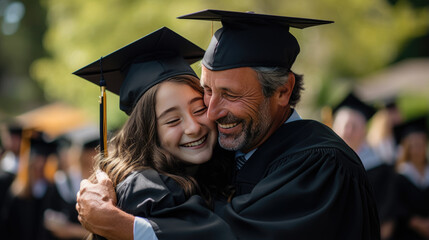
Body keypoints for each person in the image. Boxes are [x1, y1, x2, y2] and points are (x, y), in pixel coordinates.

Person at [77, 10, 380, 239]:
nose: (210, 112)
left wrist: (120, 224)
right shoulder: (223, 156)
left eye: (231, 95)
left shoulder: (322, 167)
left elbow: (235, 234)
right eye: (207, 90)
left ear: (283, 91)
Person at [74, 27, 235, 240]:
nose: (193, 127)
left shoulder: (212, 171)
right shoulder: (146, 190)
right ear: (147, 133)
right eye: (172, 120)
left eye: (199, 109)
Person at [332, 92, 398, 239]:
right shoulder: (327, 165)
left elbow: (386, 222)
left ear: (364, 130)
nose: (347, 132)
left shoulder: (380, 169)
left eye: (353, 126)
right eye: (343, 126)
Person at [391, 116, 429, 240]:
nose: (418, 149)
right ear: (407, 148)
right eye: (414, 145)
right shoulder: (400, 174)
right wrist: (419, 224)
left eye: (421, 144)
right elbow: (397, 207)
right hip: (408, 234)